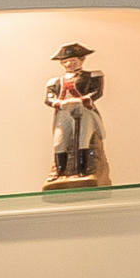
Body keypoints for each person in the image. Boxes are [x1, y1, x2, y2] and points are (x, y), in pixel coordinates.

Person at [45, 42, 105, 185]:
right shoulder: (54, 81)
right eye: (66, 62)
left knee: (83, 139)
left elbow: (97, 92)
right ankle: (60, 171)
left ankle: (83, 170)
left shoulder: (92, 76)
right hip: (63, 112)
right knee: (59, 140)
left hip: (84, 110)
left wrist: (83, 100)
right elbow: (49, 98)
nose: (69, 64)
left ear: (81, 60)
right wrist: (58, 103)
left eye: (73, 61)